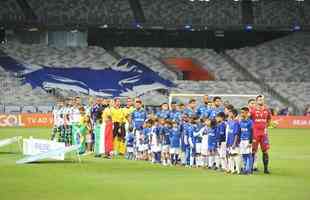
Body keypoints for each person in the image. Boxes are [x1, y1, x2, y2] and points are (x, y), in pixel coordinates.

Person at [250, 95, 271, 174]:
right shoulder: (253, 110)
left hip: (264, 133)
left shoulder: (267, 110)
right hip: (255, 133)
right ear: (256, 101)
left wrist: (266, 126)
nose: (260, 101)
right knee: (253, 150)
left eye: (262, 99)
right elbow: (248, 119)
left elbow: (269, 119)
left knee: (265, 151)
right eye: (259, 99)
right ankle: (251, 168)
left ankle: (266, 169)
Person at [226, 108, 241, 174]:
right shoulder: (230, 122)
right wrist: (227, 142)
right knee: (230, 156)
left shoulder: (236, 122)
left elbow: (236, 134)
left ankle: (238, 170)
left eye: (230, 112)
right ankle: (232, 170)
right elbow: (229, 133)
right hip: (229, 141)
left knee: (235, 155)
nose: (229, 114)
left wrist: (234, 143)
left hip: (234, 142)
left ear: (234, 114)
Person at [239, 107, 253, 175]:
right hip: (242, 140)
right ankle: (245, 169)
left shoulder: (250, 122)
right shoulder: (240, 121)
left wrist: (250, 142)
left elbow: (252, 132)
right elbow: (239, 131)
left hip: (247, 140)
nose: (241, 114)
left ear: (247, 113)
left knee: (249, 155)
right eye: (241, 112)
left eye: (242, 112)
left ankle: (248, 170)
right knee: (244, 155)